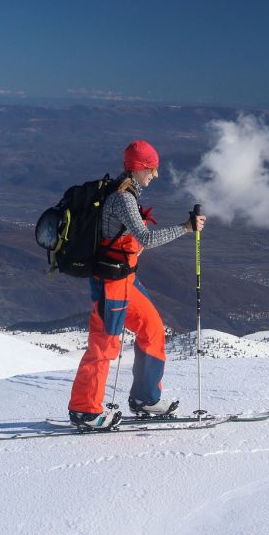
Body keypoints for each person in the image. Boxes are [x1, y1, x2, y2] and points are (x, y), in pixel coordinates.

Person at [67, 139, 206, 430]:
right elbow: (147, 239)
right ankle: (84, 409)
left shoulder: (127, 192)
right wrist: (186, 228)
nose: (155, 175)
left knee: (153, 328)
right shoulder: (123, 199)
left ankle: (146, 398)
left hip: (126, 278)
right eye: (152, 169)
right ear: (140, 167)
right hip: (111, 283)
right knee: (105, 345)